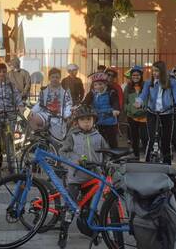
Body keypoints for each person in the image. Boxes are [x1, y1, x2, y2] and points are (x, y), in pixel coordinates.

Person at [58, 105, 109, 247]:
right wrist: (74, 162)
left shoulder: (98, 136)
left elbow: (106, 153)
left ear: (94, 121)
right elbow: (63, 152)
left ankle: (90, 230)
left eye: (89, 119)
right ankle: (64, 231)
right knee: (70, 206)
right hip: (76, 178)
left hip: (93, 178)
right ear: (77, 122)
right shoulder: (73, 136)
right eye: (83, 120)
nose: (86, 122)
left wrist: (106, 165)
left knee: (90, 207)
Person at [135, 61, 176, 166]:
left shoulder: (171, 82)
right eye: (153, 71)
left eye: (157, 71)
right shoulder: (149, 82)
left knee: (166, 140)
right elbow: (143, 94)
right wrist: (139, 101)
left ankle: (167, 164)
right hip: (152, 112)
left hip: (167, 113)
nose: (154, 73)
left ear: (162, 71)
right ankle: (148, 162)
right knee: (152, 138)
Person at [0, 63, 24, 177]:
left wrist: (21, 108)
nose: (2, 74)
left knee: (10, 142)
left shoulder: (11, 85)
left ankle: (12, 167)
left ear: (6, 72)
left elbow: (18, 99)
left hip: (9, 118)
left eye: (4, 71)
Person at [29, 68, 73, 142]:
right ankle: (40, 137)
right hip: (45, 115)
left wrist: (67, 115)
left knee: (56, 144)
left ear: (60, 78)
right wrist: (31, 112)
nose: (55, 79)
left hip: (58, 118)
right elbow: (40, 104)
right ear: (49, 78)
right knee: (31, 117)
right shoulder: (44, 91)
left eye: (57, 77)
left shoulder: (65, 91)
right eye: (53, 77)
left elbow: (68, 104)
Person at [82, 72, 120, 148]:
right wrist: (78, 106)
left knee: (112, 141)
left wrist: (115, 109)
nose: (98, 86)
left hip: (110, 121)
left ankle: (115, 158)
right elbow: (85, 102)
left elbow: (116, 102)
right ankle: (101, 158)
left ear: (105, 84)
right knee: (99, 142)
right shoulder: (92, 93)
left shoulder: (111, 92)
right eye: (95, 85)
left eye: (100, 84)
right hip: (98, 121)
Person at [124, 66, 148, 159]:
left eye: (137, 75)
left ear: (141, 76)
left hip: (144, 117)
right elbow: (125, 102)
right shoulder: (128, 87)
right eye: (133, 75)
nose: (135, 77)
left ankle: (147, 156)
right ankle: (136, 157)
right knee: (134, 138)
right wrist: (129, 110)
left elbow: (149, 99)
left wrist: (145, 108)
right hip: (132, 116)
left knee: (145, 138)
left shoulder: (146, 85)